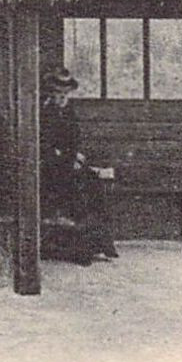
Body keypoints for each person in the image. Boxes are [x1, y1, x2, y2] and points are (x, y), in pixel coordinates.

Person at [40, 66, 119, 264]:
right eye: (58, 92)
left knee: (93, 185)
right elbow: (44, 143)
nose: (62, 96)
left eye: (65, 93)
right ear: (51, 92)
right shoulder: (45, 111)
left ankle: (100, 245)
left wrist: (75, 156)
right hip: (50, 166)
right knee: (78, 190)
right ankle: (79, 251)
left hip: (67, 162)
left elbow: (73, 139)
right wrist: (65, 157)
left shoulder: (68, 111)